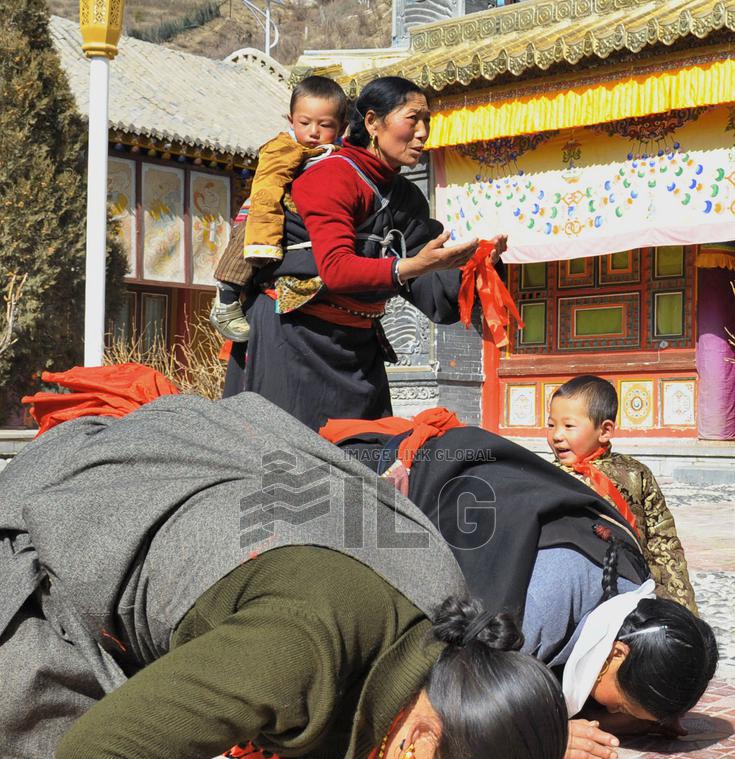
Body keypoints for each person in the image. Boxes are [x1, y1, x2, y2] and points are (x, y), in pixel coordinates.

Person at [0, 389, 567, 759]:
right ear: (420, 739)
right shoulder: (295, 651)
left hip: (242, 508)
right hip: (88, 508)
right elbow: (98, 758)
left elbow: (370, 703)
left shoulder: (452, 627)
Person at [320, 410, 718, 759]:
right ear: (617, 652)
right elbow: (454, 698)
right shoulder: (528, 615)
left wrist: (646, 707)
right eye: (622, 704)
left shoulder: (631, 580)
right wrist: (541, 742)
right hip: (353, 483)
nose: (615, 712)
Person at [223, 75, 508, 430]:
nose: (422, 132)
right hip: (292, 336)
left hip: (357, 347)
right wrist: (408, 266)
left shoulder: (407, 199)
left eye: (427, 122)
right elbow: (336, 269)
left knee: (365, 462)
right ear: (372, 122)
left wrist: (479, 267)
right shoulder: (331, 176)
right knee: (285, 464)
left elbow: (435, 297)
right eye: (412, 119)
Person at [210, 75, 349, 342]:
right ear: (290, 120)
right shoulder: (283, 149)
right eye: (304, 123)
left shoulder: (337, 155)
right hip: (267, 207)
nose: (313, 132)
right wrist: (266, 220)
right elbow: (268, 187)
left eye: (325, 125)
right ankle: (226, 298)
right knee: (249, 240)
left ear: (342, 127)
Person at [547, 375, 698, 613]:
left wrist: (682, 609)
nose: (556, 435)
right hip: (577, 594)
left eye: (568, 426)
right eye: (551, 425)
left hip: (639, 585)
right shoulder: (547, 478)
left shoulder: (636, 474)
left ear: (605, 430)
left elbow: (664, 541)